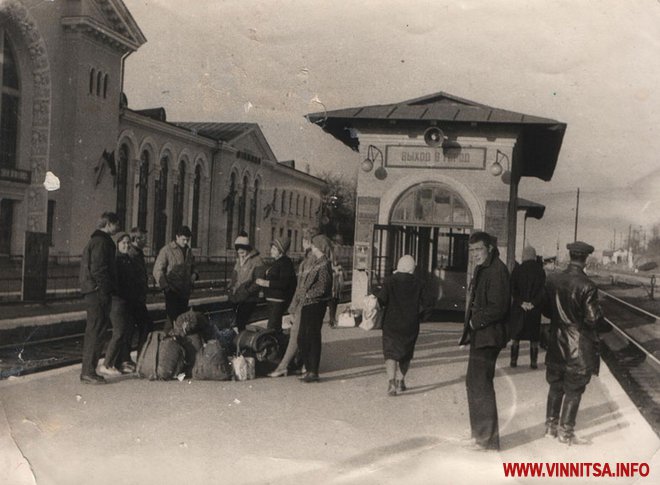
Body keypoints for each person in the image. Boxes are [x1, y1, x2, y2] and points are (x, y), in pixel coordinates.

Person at [543, 241, 603, 445]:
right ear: (585, 259)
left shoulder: (553, 279)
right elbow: (593, 319)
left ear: (570, 256)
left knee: (555, 386)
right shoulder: (588, 286)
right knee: (574, 390)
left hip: (556, 342)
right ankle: (566, 433)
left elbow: (545, 309)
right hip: (578, 347)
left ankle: (550, 428)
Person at [459, 231, 510, 451]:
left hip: (489, 335)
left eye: (478, 249)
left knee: (480, 384)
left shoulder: (496, 270)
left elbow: (498, 307)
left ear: (489, 248)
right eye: (472, 250)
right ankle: (479, 434)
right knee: (474, 382)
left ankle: (487, 439)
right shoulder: (485, 268)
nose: (475, 254)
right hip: (482, 335)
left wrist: (474, 322)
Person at [377, 255, 431, 396]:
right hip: (410, 325)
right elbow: (427, 304)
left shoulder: (389, 281)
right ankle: (401, 381)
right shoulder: (420, 283)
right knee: (406, 354)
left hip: (391, 324)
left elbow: (381, 300)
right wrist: (422, 317)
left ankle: (391, 382)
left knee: (390, 353)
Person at [267, 229, 316, 377]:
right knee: (299, 334)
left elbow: (299, 285)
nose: (301, 243)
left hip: (304, 302)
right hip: (301, 301)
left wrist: (295, 305)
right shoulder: (306, 259)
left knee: (300, 334)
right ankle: (299, 365)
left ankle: (290, 365)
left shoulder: (309, 260)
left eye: (303, 240)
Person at [79, 212, 120, 384]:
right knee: (96, 332)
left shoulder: (97, 240)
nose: (118, 227)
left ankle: (89, 370)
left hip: (94, 291)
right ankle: (88, 372)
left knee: (95, 331)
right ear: (109, 224)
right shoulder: (102, 242)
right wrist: (104, 291)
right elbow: (99, 270)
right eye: (116, 224)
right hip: (98, 293)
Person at [99, 232, 141, 376]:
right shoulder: (116, 260)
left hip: (125, 300)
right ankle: (106, 364)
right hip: (117, 300)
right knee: (119, 332)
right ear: (118, 244)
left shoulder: (127, 259)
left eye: (128, 243)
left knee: (125, 332)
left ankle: (118, 363)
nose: (126, 245)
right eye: (123, 243)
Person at [297, 234, 333, 383]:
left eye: (313, 244)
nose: (311, 246)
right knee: (303, 338)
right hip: (309, 304)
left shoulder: (324, 264)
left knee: (311, 337)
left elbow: (323, 288)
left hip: (315, 304)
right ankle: (309, 368)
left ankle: (313, 370)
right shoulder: (318, 262)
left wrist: (306, 294)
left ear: (319, 247)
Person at [153, 226, 198, 332]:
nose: (186, 242)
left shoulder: (189, 251)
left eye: (188, 240)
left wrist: (194, 275)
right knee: (171, 319)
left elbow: (194, 266)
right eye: (183, 239)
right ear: (177, 237)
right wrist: (165, 287)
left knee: (182, 320)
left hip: (185, 292)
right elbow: (157, 270)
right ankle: (165, 341)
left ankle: (177, 342)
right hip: (172, 291)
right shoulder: (167, 250)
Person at [509, 246, 546, 369]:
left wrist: (521, 303)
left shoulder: (517, 270)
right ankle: (533, 363)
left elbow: (512, 289)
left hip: (519, 309)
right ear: (534, 256)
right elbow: (542, 291)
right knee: (534, 338)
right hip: (534, 310)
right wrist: (533, 303)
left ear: (524, 255)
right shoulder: (540, 271)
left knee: (516, 336)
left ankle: (513, 361)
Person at [124, 227, 154, 361]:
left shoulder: (138, 253)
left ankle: (136, 356)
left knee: (139, 327)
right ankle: (131, 358)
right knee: (137, 327)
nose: (146, 241)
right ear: (136, 239)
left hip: (138, 298)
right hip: (133, 299)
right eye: (144, 239)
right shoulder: (132, 254)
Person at [256, 237, 297, 332]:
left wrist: (265, 283)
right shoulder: (278, 262)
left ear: (281, 251)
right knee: (275, 326)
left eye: (274, 249)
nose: (271, 250)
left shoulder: (285, 263)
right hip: (273, 299)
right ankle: (279, 345)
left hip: (278, 300)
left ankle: (275, 345)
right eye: (272, 248)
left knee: (272, 327)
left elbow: (284, 283)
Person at [228, 231, 265, 332]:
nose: (240, 253)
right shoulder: (239, 260)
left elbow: (258, 281)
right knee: (238, 323)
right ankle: (241, 342)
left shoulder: (257, 260)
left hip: (250, 298)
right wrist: (231, 287)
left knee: (241, 321)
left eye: (243, 250)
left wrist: (247, 292)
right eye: (238, 251)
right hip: (238, 296)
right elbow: (234, 276)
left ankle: (243, 342)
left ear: (248, 248)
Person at [327, 258, 344, 327]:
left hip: (337, 291)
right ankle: (332, 320)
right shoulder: (329, 270)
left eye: (337, 261)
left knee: (335, 305)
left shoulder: (340, 269)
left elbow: (344, 278)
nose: (336, 262)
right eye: (334, 261)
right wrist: (336, 273)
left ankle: (332, 319)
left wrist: (341, 272)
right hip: (331, 291)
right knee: (331, 306)